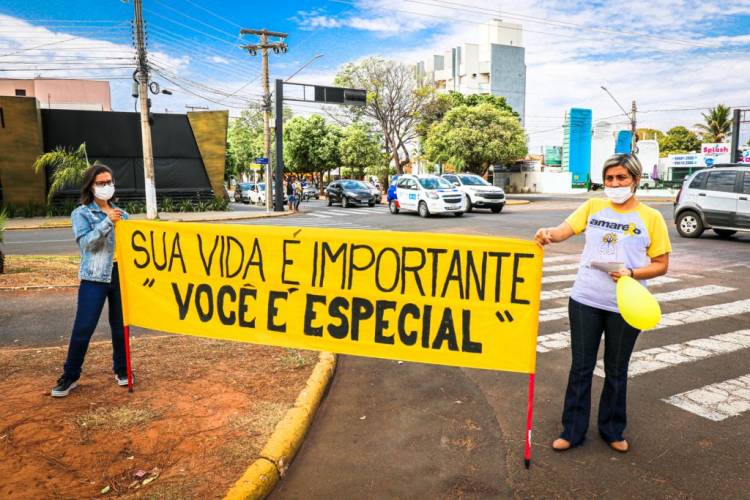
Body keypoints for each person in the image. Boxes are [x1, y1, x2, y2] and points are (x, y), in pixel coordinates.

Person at [534, 153, 671, 453]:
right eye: (609, 178)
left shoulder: (651, 217)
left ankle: (612, 429)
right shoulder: (593, 206)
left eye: (621, 178)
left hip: (626, 304)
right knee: (581, 367)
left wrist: (632, 273)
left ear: (635, 180)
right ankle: (572, 431)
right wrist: (548, 235)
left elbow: (661, 264)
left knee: (616, 370)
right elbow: (563, 231)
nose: (614, 183)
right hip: (585, 299)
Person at [51, 164, 130, 397]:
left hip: (120, 276)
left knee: (120, 326)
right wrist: (107, 223)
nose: (107, 186)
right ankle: (70, 375)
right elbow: (86, 244)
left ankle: (123, 370)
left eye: (109, 182)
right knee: (83, 328)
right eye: (101, 183)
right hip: (94, 277)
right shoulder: (81, 213)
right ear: (91, 186)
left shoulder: (123, 214)